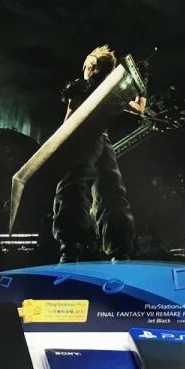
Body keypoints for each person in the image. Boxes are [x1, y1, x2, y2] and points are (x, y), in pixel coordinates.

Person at [51, 45, 142, 262]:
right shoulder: (113, 91)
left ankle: (70, 249)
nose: (85, 69)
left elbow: (69, 120)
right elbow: (139, 108)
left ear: (92, 66)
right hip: (104, 141)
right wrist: (142, 87)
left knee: (73, 189)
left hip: (83, 139)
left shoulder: (82, 87)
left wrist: (61, 147)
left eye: (87, 65)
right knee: (111, 193)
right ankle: (120, 251)